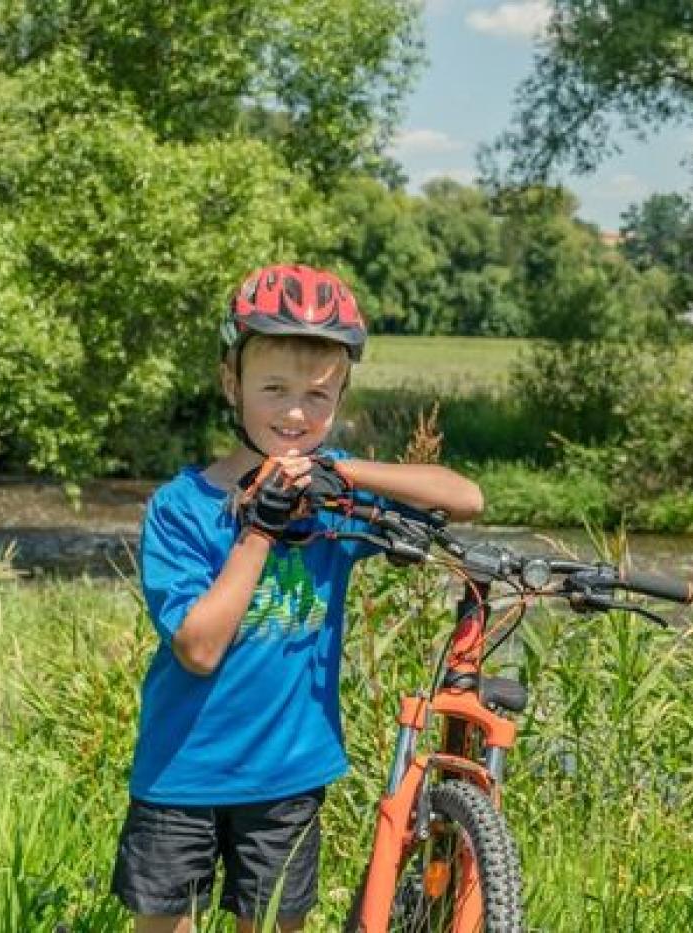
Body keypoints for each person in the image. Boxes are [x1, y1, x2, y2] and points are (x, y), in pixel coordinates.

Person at [109, 264, 484, 932]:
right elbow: (198, 647)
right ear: (232, 384)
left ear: (340, 397)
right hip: (181, 770)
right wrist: (260, 529)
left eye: (318, 395)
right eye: (274, 388)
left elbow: (465, 497)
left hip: (287, 771)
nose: (294, 412)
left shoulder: (335, 495)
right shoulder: (182, 507)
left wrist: (341, 471)